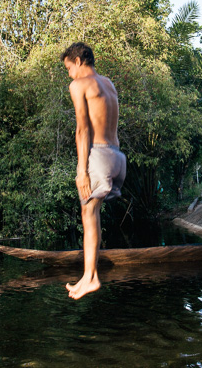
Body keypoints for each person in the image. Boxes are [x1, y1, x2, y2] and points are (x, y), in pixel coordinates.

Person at [61, 42, 126, 300]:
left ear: (78, 61)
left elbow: (82, 129)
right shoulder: (107, 83)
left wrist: (82, 171)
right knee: (92, 211)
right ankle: (90, 276)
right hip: (117, 157)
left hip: (98, 154)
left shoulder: (79, 85)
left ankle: (90, 277)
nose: (69, 74)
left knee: (87, 212)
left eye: (68, 67)